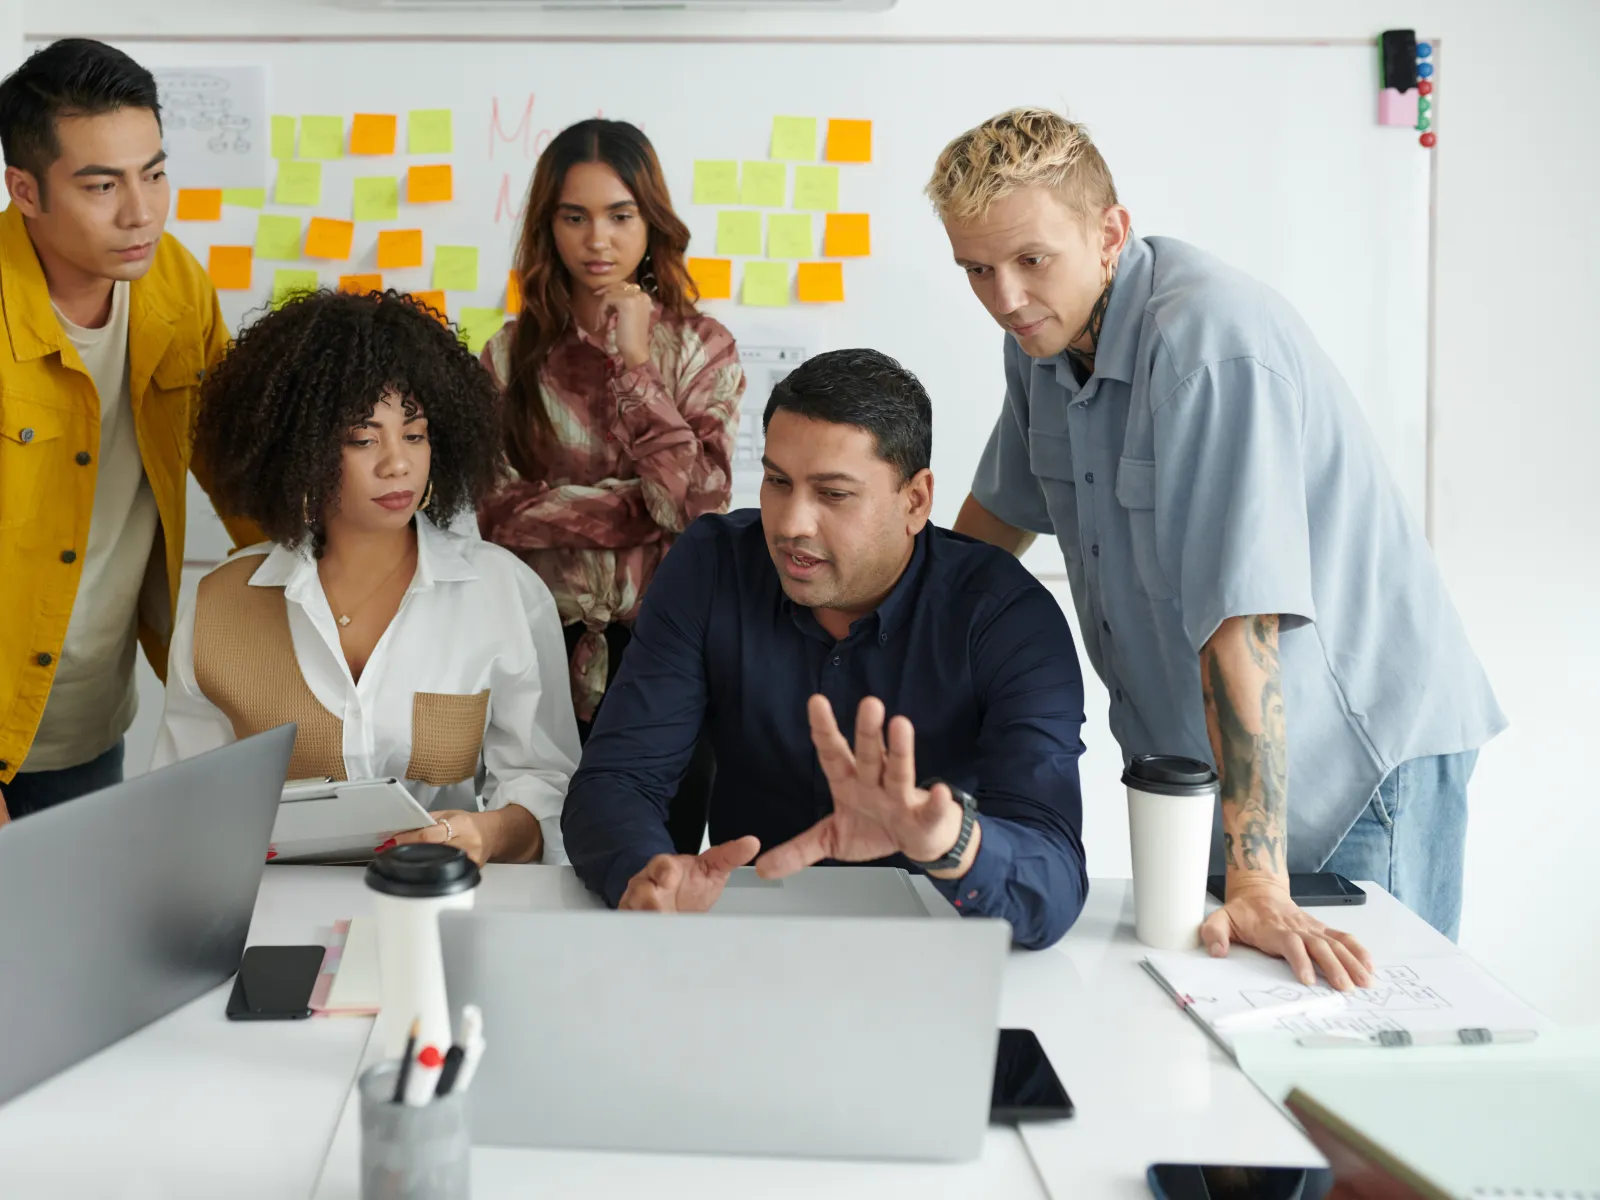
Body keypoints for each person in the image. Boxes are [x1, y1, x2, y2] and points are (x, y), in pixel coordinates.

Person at [930, 108, 1505, 982]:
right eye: (976, 268)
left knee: (1356, 1039)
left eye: (1030, 260)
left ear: (1110, 232)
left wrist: (1259, 877)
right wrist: (894, 643)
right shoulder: (1038, 342)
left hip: (1352, 762)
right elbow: (998, 517)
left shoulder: (1205, 343)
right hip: (1206, 770)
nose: (1003, 296)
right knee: (1227, 1016)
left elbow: (1242, 619)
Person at [562, 349, 1089, 950]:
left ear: (915, 500)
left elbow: (1053, 882)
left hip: (932, 953)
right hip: (745, 942)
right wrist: (648, 873)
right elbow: (616, 784)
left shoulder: (1007, 617)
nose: (791, 524)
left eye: (833, 494)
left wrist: (953, 841)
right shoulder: (712, 567)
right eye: (778, 482)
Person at [153, 289, 581, 866]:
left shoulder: (501, 593)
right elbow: (181, 807)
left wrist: (487, 833)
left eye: (414, 433)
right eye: (362, 439)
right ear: (298, 448)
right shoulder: (222, 601)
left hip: (439, 906)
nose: (396, 463)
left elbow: (545, 784)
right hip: (270, 919)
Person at [0, 39, 259, 823]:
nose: (141, 210)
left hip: (87, 722)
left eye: (153, 173)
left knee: (68, 942)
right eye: (102, 184)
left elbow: (241, 473)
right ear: (25, 191)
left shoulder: (174, 284)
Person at [478, 118, 744, 856]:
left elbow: (689, 508)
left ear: (649, 220)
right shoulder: (508, 355)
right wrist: (637, 504)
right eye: (575, 216)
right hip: (539, 646)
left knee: (656, 862)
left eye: (619, 216)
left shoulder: (700, 347)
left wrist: (634, 365)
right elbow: (496, 513)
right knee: (540, 857)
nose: (598, 239)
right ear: (549, 225)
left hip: (667, 646)